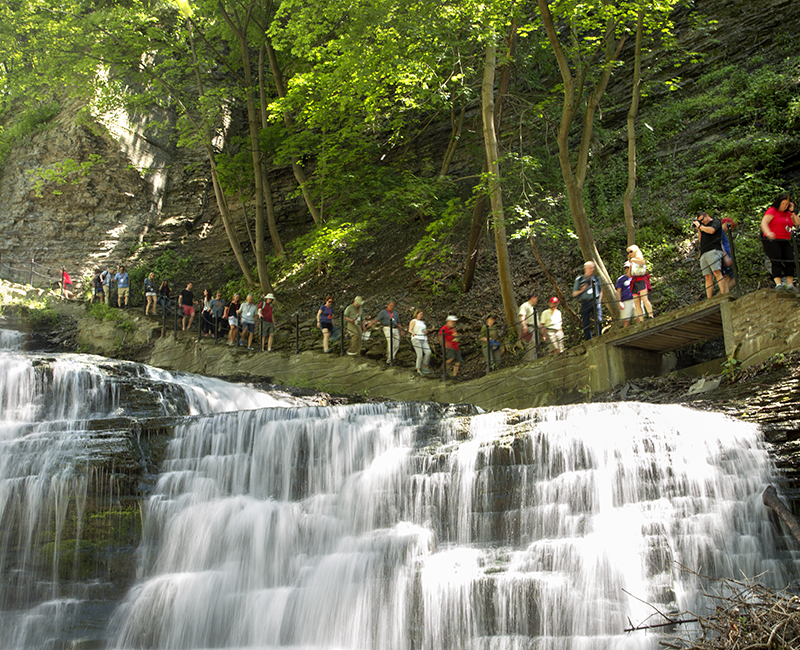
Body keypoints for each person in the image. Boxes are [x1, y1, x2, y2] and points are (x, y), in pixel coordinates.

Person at [760, 193, 800, 289]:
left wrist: (793, 210)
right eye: (783, 203)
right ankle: (778, 284)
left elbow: (797, 222)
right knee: (776, 259)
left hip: (784, 239)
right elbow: (764, 223)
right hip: (772, 239)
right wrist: (768, 232)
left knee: (790, 259)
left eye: (787, 204)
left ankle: (790, 284)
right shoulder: (772, 211)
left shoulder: (788, 213)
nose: (784, 206)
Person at [693, 211, 727, 299]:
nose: (702, 222)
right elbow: (700, 241)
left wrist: (701, 226)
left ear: (707, 216)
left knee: (716, 272)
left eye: (702, 219)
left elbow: (712, 231)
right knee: (707, 276)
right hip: (704, 252)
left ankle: (723, 294)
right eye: (700, 221)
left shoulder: (715, 222)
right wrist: (699, 229)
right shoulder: (703, 227)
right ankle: (709, 298)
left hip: (713, 250)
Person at [572, 261, 603, 340]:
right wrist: (582, 290)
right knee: (586, 322)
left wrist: (599, 301)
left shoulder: (596, 278)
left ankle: (599, 337)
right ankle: (588, 340)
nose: (592, 270)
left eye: (593, 268)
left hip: (595, 301)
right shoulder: (579, 280)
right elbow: (574, 293)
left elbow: (600, 291)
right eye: (590, 268)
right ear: (585, 269)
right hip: (585, 302)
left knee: (598, 319)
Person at [626, 245, 653, 320]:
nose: (630, 253)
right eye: (628, 252)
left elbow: (642, 262)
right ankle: (641, 320)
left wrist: (634, 260)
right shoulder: (631, 261)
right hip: (634, 282)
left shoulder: (638, 258)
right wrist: (630, 266)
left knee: (644, 298)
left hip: (641, 280)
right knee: (636, 302)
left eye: (631, 251)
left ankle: (651, 316)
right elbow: (629, 275)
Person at [408, 308, 432, 376]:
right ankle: (418, 369)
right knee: (420, 355)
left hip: (423, 338)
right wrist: (412, 333)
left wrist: (426, 331)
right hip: (416, 338)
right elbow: (410, 330)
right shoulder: (413, 321)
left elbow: (424, 330)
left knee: (428, 352)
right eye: (420, 314)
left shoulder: (422, 322)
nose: (421, 316)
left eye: (422, 314)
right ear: (417, 314)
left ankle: (425, 365)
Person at [518, 293, 538, 360]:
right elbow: (522, 315)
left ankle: (533, 358)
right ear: (532, 297)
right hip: (529, 327)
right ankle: (530, 360)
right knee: (531, 344)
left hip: (534, 327)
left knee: (535, 344)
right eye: (536, 298)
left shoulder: (532, 307)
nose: (537, 300)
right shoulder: (525, 305)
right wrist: (524, 325)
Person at [615, 262, 636, 328]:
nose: (627, 269)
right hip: (626, 301)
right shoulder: (620, 279)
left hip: (636, 299)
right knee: (626, 321)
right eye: (626, 268)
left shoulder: (636, 277)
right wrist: (619, 302)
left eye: (628, 268)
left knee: (639, 318)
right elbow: (618, 291)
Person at [721, 217, 737, 293]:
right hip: (725, 257)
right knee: (726, 277)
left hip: (727, 256)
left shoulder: (724, 233)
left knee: (732, 278)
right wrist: (725, 257)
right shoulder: (720, 231)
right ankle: (723, 294)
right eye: (730, 226)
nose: (730, 228)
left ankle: (723, 294)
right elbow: (720, 244)